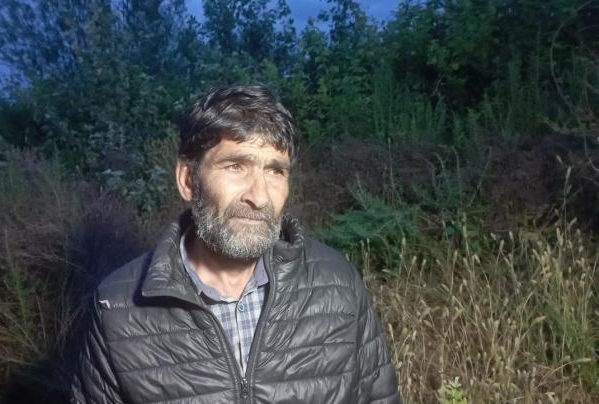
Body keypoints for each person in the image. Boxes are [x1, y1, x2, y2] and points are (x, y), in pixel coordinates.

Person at [71, 85, 401, 403]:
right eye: (236, 166)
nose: (259, 197)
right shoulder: (117, 307)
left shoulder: (339, 284)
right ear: (187, 180)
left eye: (275, 171)